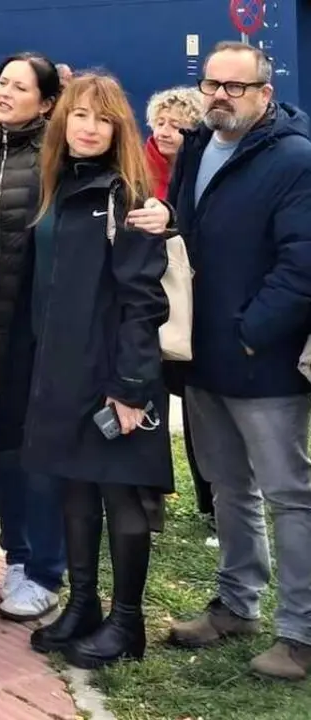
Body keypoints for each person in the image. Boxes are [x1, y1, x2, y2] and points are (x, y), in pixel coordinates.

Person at [166, 42, 311, 682]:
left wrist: (253, 333)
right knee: (229, 489)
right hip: (203, 356)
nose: (220, 94)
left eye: (236, 86)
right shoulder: (199, 145)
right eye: (212, 83)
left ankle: (302, 633)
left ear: (264, 94)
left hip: (261, 361)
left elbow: (302, 264)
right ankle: (235, 604)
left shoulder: (294, 159)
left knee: (288, 495)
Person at [23, 72, 172, 670]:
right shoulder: (59, 186)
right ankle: (83, 604)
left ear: (118, 130)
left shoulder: (125, 198)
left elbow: (144, 301)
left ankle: (126, 625)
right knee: (76, 490)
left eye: (102, 119)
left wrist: (131, 387)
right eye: (80, 115)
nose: (88, 128)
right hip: (63, 372)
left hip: (114, 375)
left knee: (121, 496)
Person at [0, 52, 66, 622]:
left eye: (19, 87)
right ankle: (18, 558)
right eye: (1, 82)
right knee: (3, 450)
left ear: (47, 102)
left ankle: (47, 567)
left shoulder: (61, 155)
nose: (4, 93)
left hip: (42, 334)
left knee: (41, 454)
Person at [142, 86, 212, 525]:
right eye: (161, 122)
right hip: (153, 299)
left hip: (195, 299)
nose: (166, 131)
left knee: (199, 406)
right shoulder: (136, 164)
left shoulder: (204, 169)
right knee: (150, 399)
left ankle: (212, 498)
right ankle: (150, 498)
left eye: (178, 124)